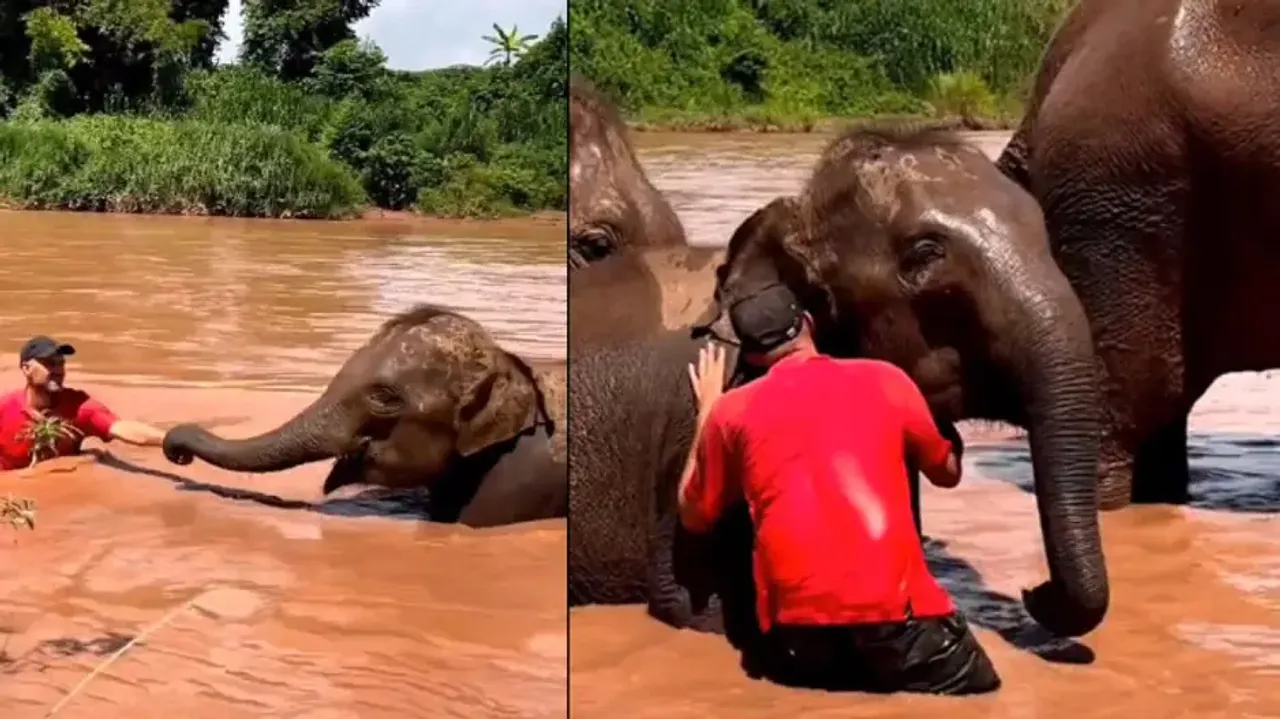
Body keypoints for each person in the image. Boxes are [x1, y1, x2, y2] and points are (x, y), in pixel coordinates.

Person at [676, 281, 1001, 696]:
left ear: (752, 355)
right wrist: (944, 433)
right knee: (983, 695)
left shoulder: (729, 411)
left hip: (797, 638)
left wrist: (705, 413)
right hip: (898, 625)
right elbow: (947, 473)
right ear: (808, 323)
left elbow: (694, 515)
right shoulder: (886, 379)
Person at [0, 336, 167, 470]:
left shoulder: (77, 406)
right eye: (49, 364)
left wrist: (168, 439)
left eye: (61, 363)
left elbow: (121, 428)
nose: (58, 371)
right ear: (26, 368)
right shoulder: (5, 408)